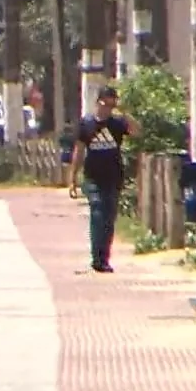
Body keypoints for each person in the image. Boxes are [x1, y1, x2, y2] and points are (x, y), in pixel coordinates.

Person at [68, 86, 141, 273]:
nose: (107, 108)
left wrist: (125, 113)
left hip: (113, 176)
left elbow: (137, 133)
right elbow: (79, 150)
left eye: (111, 104)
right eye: (105, 104)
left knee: (109, 218)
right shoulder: (86, 124)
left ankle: (104, 257)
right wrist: (73, 178)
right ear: (97, 102)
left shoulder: (117, 124)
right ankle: (96, 257)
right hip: (93, 177)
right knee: (98, 212)